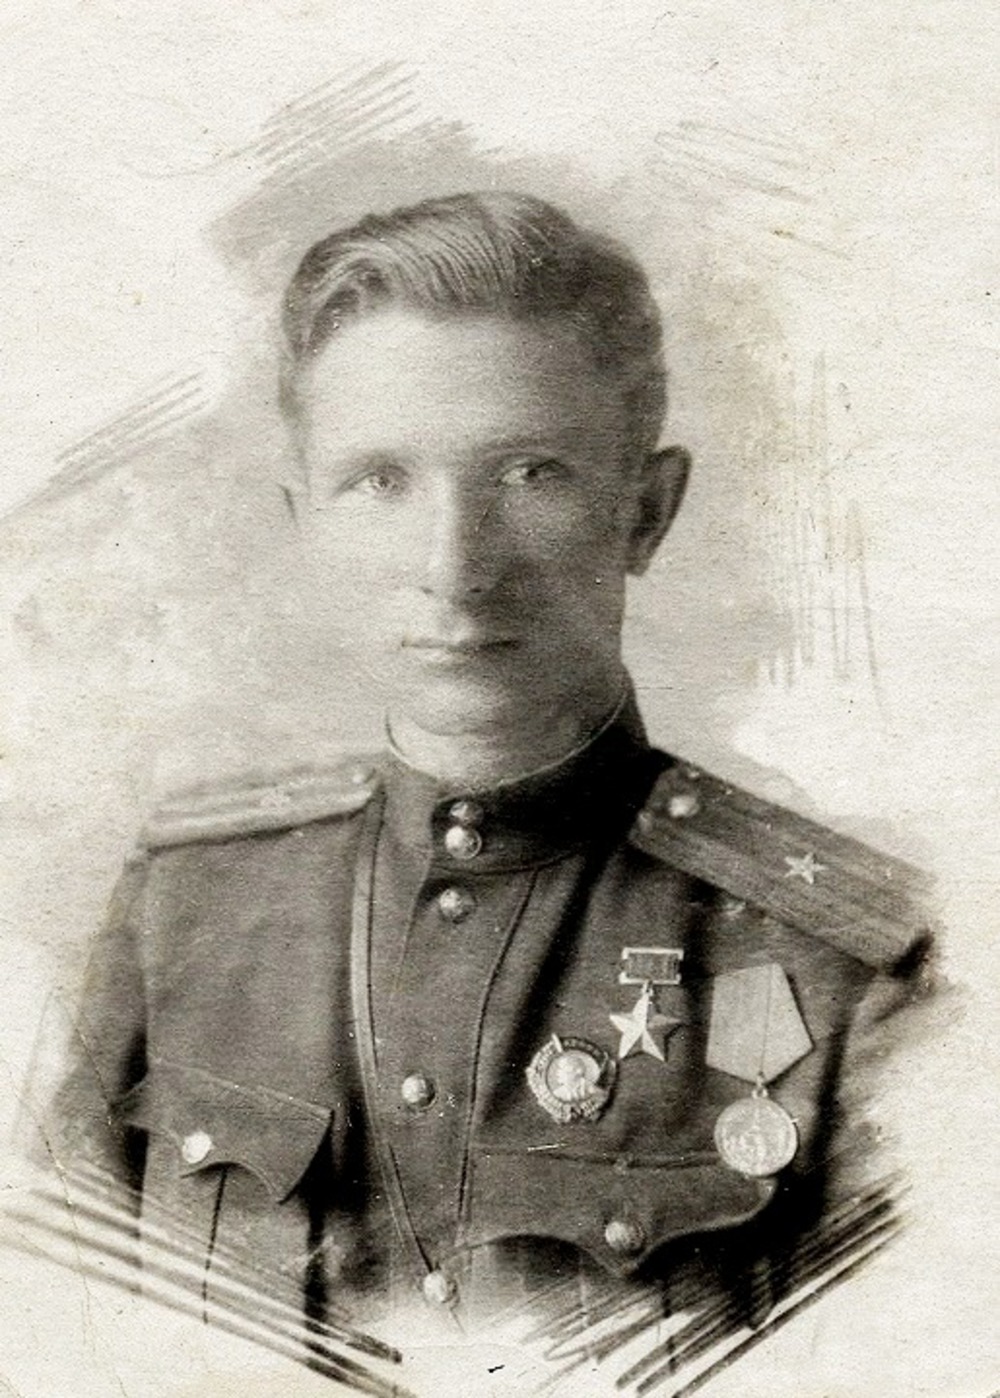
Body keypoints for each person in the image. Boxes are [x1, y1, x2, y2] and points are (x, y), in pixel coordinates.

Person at [45, 191, 934, 1371]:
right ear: (304, 520)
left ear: (646, 512)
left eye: (528, 472)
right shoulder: (184, 908)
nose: (453, 566)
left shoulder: (847, 970)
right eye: (381, 480)